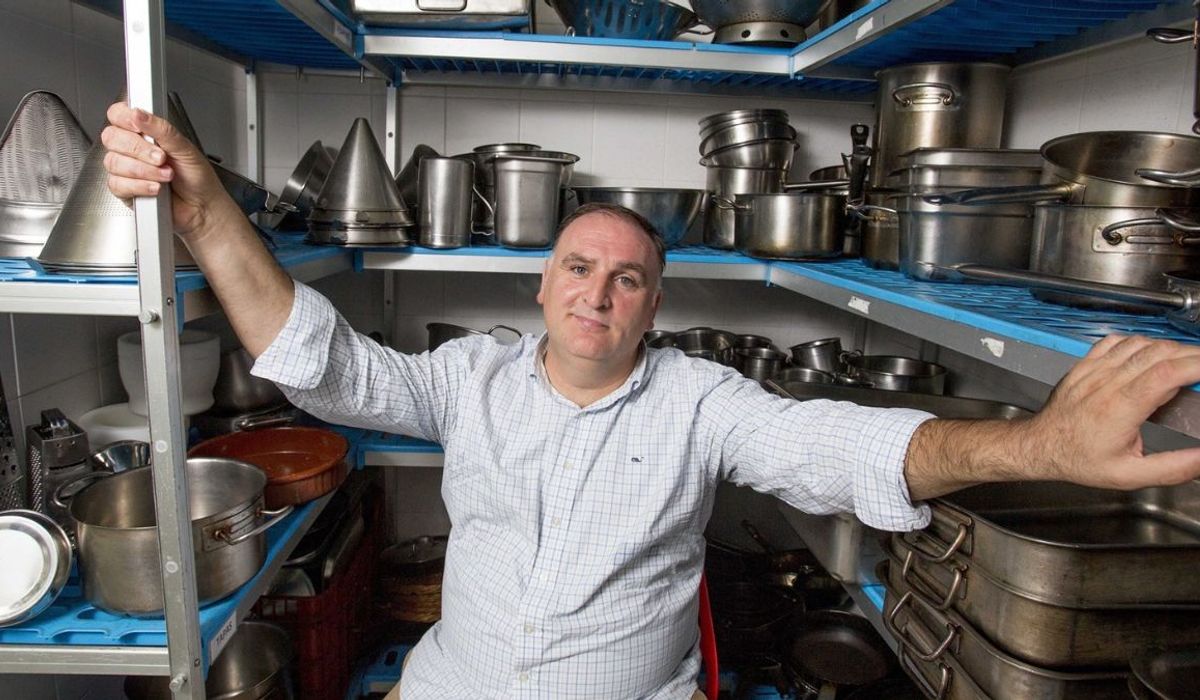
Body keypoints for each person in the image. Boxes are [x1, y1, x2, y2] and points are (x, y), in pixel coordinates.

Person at [101, 103, 1200, 700]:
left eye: (628, 279)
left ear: (654, 306)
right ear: (542, 285)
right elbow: (321, 361)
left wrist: (1044, 443)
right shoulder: (468, 379)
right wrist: (202, 217)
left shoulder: (700, 401)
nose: (599, 293)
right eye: (579, 268)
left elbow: (840, 446)